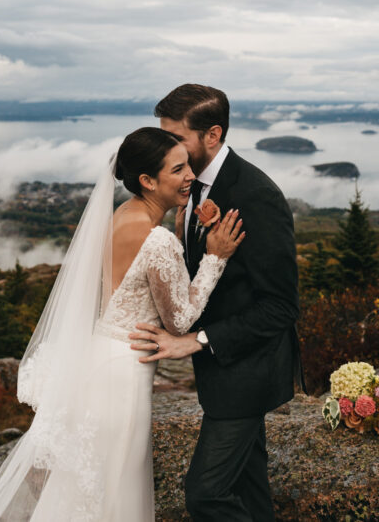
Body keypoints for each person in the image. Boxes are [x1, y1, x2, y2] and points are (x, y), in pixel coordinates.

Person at [0, 126, 245, 521]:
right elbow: (180, 321)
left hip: (98, 360)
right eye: (178, 170)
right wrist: (215, 257)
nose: (190, 176)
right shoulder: (156, 239)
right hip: (123, 376)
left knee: (82, 491)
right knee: (113, 492)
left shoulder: (122, 215)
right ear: (147, 180)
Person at [130, 84, 302, 521]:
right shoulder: (188, 187)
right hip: (221, 374)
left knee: (206, 496)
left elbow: (280, 306)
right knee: (250, 489)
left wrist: (197, 340)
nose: (169, 145)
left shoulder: (254, 195)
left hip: (247, 373)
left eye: (177, 137)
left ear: (212, 135)